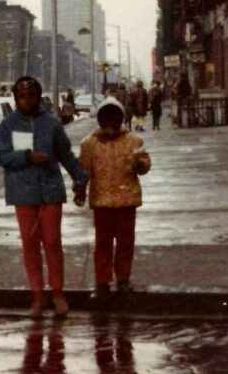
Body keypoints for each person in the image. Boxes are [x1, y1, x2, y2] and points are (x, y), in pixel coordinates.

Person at [0, 75, 88, 319]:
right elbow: (2, 157)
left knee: (53, 242)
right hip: (22, 193)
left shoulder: (52, 123)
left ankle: (58, 293)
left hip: (50, 190)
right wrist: (26, 157)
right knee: (30, 244)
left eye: (32, 95)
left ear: (39, 96)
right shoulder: (7, 125)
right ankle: (37, 296)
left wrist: (80, 178)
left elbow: (66, 155)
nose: (27, 100)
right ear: (16, 98)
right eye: (22, 96)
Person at [78, 97, 151, 306]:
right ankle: (102, 282)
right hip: (102, 201)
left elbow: (145, 164)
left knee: (125, 243)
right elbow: (83, 170)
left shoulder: (134, 141)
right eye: (106, 118)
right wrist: (80, 189)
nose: (110, 123)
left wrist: (140, 165)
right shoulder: (89, 143)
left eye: (114, 118)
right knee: (103, 244)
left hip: (127, 200)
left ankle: (123, 279)